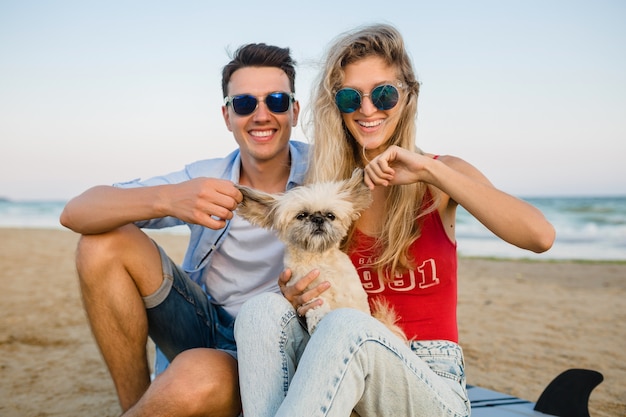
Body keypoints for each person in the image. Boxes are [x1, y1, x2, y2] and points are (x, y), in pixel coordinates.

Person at [234, 24, 556, 417]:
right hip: (336, 378)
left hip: (429, 381)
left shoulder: (441, 176)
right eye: (351, 98)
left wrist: (428, 171)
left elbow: (539, 236)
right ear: (338, 106)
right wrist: (294, 302)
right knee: (260, 311)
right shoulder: (329, 195)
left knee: (346, 326)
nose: (368, 109)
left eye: (384, 93)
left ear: (408, 95)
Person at [60, 43, 307, 417]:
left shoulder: (326, 170)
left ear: (294, 110)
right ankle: (136, 405)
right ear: (227, 116)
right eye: (244, 104)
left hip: (274, 338)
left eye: (275, 100)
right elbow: (76, 212)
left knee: (196, 377)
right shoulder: (204, 176)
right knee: (102, 245)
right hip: (201, 323)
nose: (261, 115)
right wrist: (168, 199)